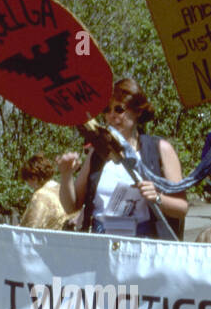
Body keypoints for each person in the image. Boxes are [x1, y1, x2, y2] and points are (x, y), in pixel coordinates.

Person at [57, 77, 187, 238]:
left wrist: (157, 198)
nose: (111, 116)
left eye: (119, 109)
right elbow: (71, 207)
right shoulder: (97, 152)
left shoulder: (161, 149)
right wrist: (66, 174)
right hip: (100, 242)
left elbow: (182, 208)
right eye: (106, 110)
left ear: (138, 111)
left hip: (143, 243)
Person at [18, 154, 70, 230]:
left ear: (34, 178)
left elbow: (31, 226)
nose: (29, 185)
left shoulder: (40, 195)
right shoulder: (63, 189)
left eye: (27, 181)